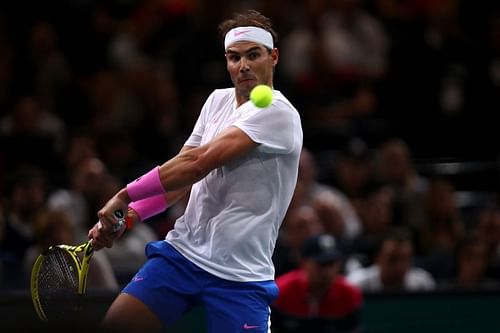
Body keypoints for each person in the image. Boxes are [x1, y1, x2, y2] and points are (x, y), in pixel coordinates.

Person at [87, 9, 303, 333]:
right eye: (234, 58)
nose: (242, 66)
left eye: (252, 55)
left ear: (273, 57)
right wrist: (129, 216)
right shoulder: (217, 101)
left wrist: (124, 194)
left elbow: (197, 164)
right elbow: (178, 183)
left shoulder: (277, 112)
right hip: (183, 256)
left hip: (240, 275)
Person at [272, 233, 363, 333]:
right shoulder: (280, 292)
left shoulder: (348, 294)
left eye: (331, 264)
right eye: (321, 265)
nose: (327, 272)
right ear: (304, 263)